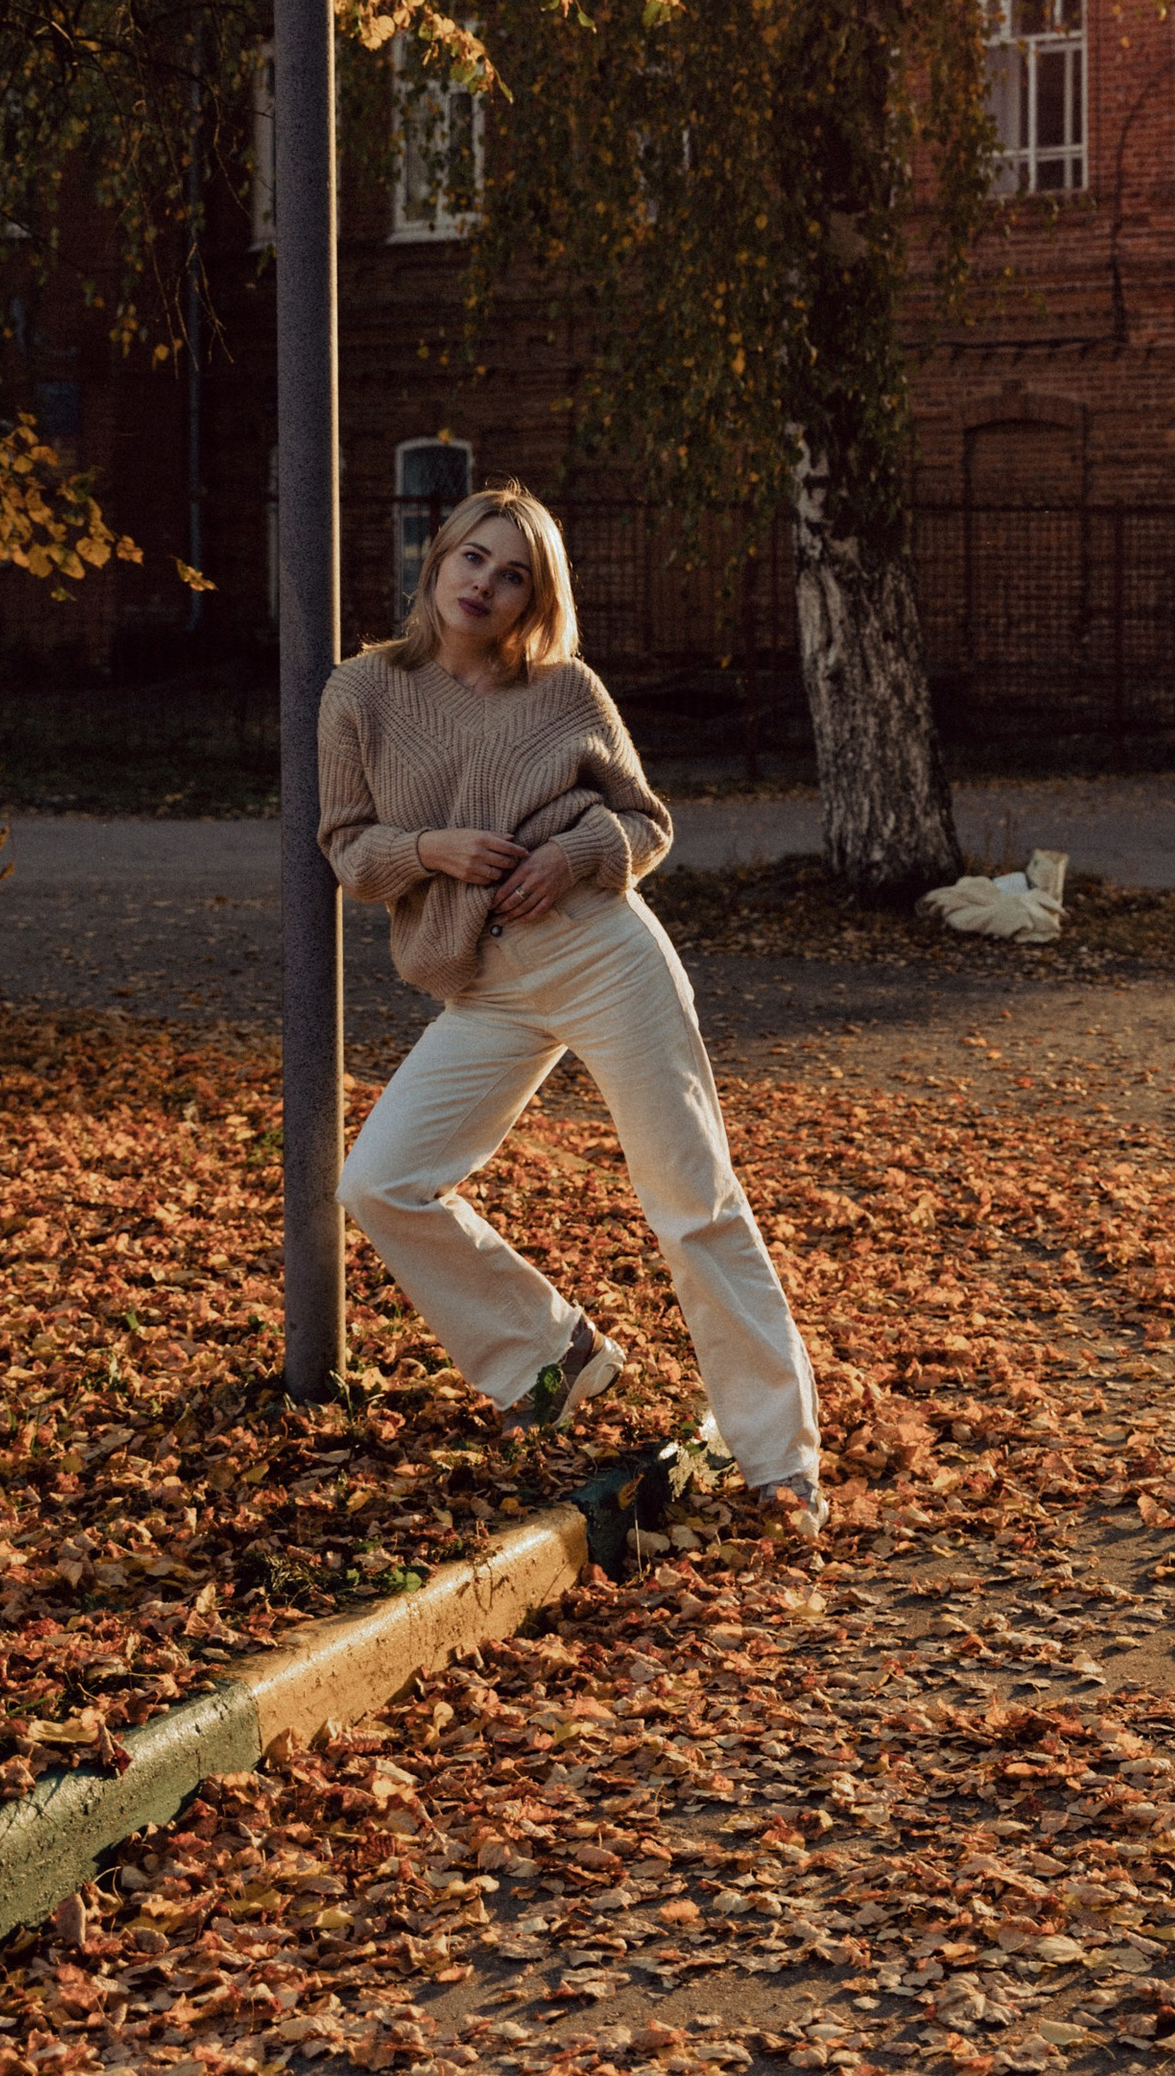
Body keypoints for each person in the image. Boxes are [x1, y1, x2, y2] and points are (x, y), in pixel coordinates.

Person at [319, 478, 823, 1524]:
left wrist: (576, 854)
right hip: (483, 983)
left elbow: (646, 824)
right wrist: (430, 850)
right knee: (380, 1182)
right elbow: (347, 852)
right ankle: (553, 1354)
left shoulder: (565, 691)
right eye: (474, 559)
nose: (486, 585)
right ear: (439, 556)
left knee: (694, 1203)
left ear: (532, 597)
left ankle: (780, 1459)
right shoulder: (359, 694)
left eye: (513, 575)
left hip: (600, 954)